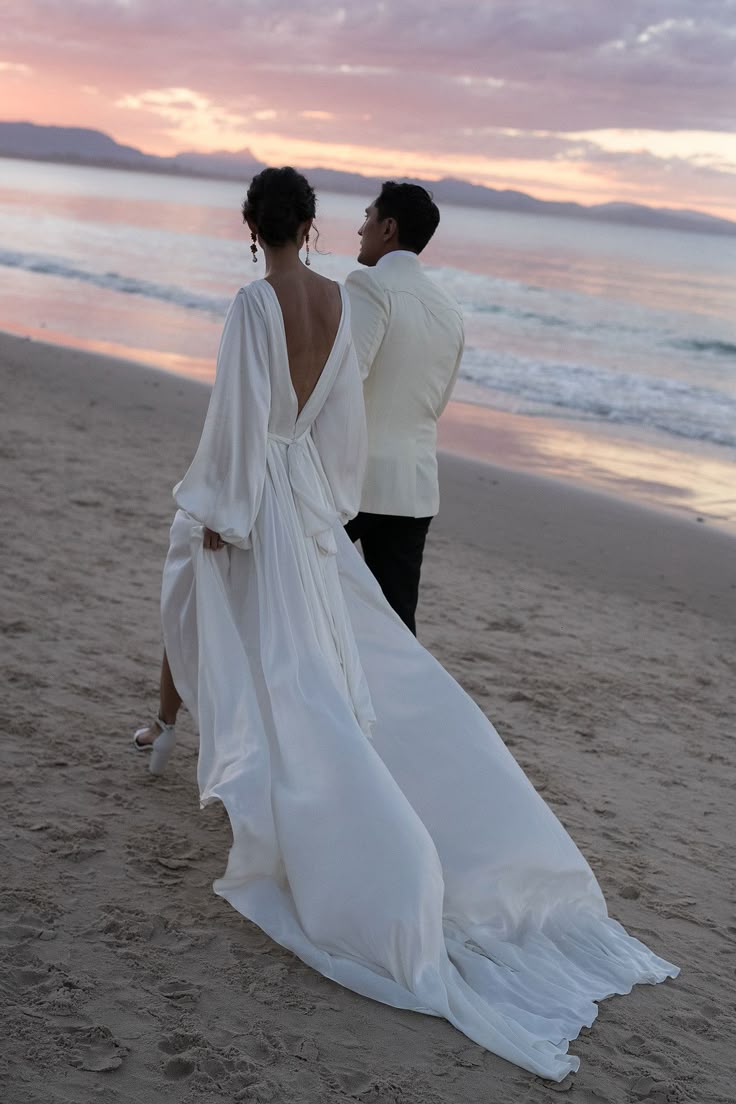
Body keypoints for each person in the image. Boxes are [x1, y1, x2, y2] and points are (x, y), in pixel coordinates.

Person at [133, 167, 677, 1083]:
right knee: (312, 644)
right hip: (309, 489)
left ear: (251, 226)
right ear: (308, 226)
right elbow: (342, 417)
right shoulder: (340, 307)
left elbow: (232, 416)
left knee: (212, 598)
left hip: (255, 486)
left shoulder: (251, 302)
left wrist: (224, 502)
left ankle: (179, 736)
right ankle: (175, 732)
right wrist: (326, 499)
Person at [344, 182, 464, 634]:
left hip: (354, 480)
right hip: (414, 486)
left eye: (368, 217)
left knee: (292, 590)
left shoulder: (369, 285)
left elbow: (342, 383)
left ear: (388, 228)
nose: (361, 228)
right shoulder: (450, 309)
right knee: (397, 628)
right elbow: (438, 402)